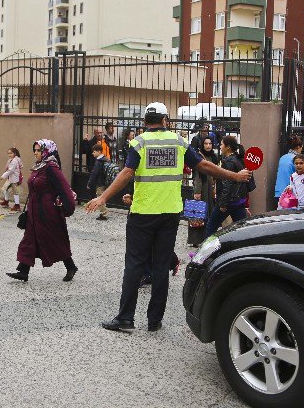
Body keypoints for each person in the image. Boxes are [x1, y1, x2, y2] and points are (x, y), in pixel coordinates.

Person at [85, 102, 251, 333]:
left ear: (145, 121)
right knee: (161, 266)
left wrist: (103, 198)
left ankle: (125, 318)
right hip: (170, 213)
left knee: (135, 265)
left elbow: (127, 173)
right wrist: (235, 175)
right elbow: (204, 165)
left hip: (143, 213)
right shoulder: (178, 141)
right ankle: (155, 321)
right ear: (165, 120)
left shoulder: (139, 142)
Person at [6, 139, 78, 282]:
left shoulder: (51, 167)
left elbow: (64, 188)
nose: (36, 153)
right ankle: (23, 271)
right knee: (29, 240)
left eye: (39, 150)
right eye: (35, 150)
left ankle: (70, 266)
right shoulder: (39, 166)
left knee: (55, 239)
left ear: (47, 151)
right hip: (34, 212)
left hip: (47, 213)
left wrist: (68, 208)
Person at [205, 136, 251, 238]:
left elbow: (228, 184)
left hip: (228, 201)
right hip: (239, 201)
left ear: (228, 147)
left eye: (221, 144)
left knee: (211, 227)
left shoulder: (228, 161)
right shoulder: (239, 159)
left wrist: (223, 204)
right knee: (241, 229)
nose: (220, 147)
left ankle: (205, 253)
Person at [187, 136, 219, 246]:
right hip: (202, 188)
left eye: (210, 144)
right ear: (202, 145)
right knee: (198, 214)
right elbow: (197, 176)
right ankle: (196, 240)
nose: (208, 146)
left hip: (211, 188)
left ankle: (207, 237)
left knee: (209, 213)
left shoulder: (214, 157)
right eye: (206, 144)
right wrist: (197, 191)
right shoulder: (198, 156)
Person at [274, 136, 303, 201]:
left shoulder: (283, 157)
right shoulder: (297, 160)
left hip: (278, 192)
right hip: (289, 194)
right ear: (298, 147)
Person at [86, 144, 109, 221]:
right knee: (103, 195)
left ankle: (103, 213)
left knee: (100, 196)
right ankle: (104, 212)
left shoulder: (99, 161)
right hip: (106, 182)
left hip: (100, 182)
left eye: (94, 152)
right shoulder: (106, 159)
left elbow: (94, 173)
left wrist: (89, 183)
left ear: (99, 152)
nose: (92, 153)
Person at [0, 147, 23, 212]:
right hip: (10, 178)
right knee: (4, 188)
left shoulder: (15, 160)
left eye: (11, 153)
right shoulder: (11, 160)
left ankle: (17, 205)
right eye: (8, 153)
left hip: (14, 178)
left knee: (15, 192)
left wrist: (3, 176)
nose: (9, 154)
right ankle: (6, 201)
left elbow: (11, 170)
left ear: (15, 153)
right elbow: (21, 166)